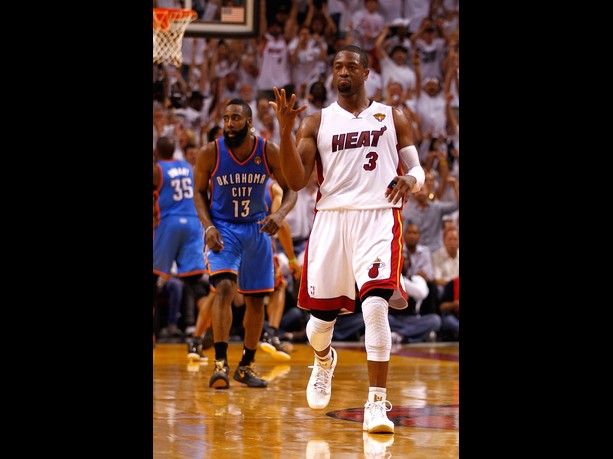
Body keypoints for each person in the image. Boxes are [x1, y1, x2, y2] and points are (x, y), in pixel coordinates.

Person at [270, 44, 425, 434]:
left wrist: (410, 179)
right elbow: (295, 181)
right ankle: (324, 361)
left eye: (351, 66)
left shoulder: (392, 116)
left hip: (378, 216)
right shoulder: (316, 122)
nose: (343, 71)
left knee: (375, 307)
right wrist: (285, 131)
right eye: (338, 66)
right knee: (320, 324)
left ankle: (376, 404)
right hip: (331, 221)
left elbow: (419, 171)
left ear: (366, 72)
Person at [193, 98, 297, 389]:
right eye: (226, 118)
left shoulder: (267, 150)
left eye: (235, 118)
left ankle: (246, 366)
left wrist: (279, 214)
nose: (229, 124)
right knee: (224, 288)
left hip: (257, 228)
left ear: (249, 123)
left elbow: (291, 190)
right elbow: (199, 193)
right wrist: (208, 226)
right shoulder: (210, 152)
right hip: (223, 228)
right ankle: (220, 364)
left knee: (255, 300)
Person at [153, 136, 210, 347]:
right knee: (195, 282)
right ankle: (208, 326)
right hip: (193, 223)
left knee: (154, 278)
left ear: (157, 152)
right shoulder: (187, 167)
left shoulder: (158, 169)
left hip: (169, 222)